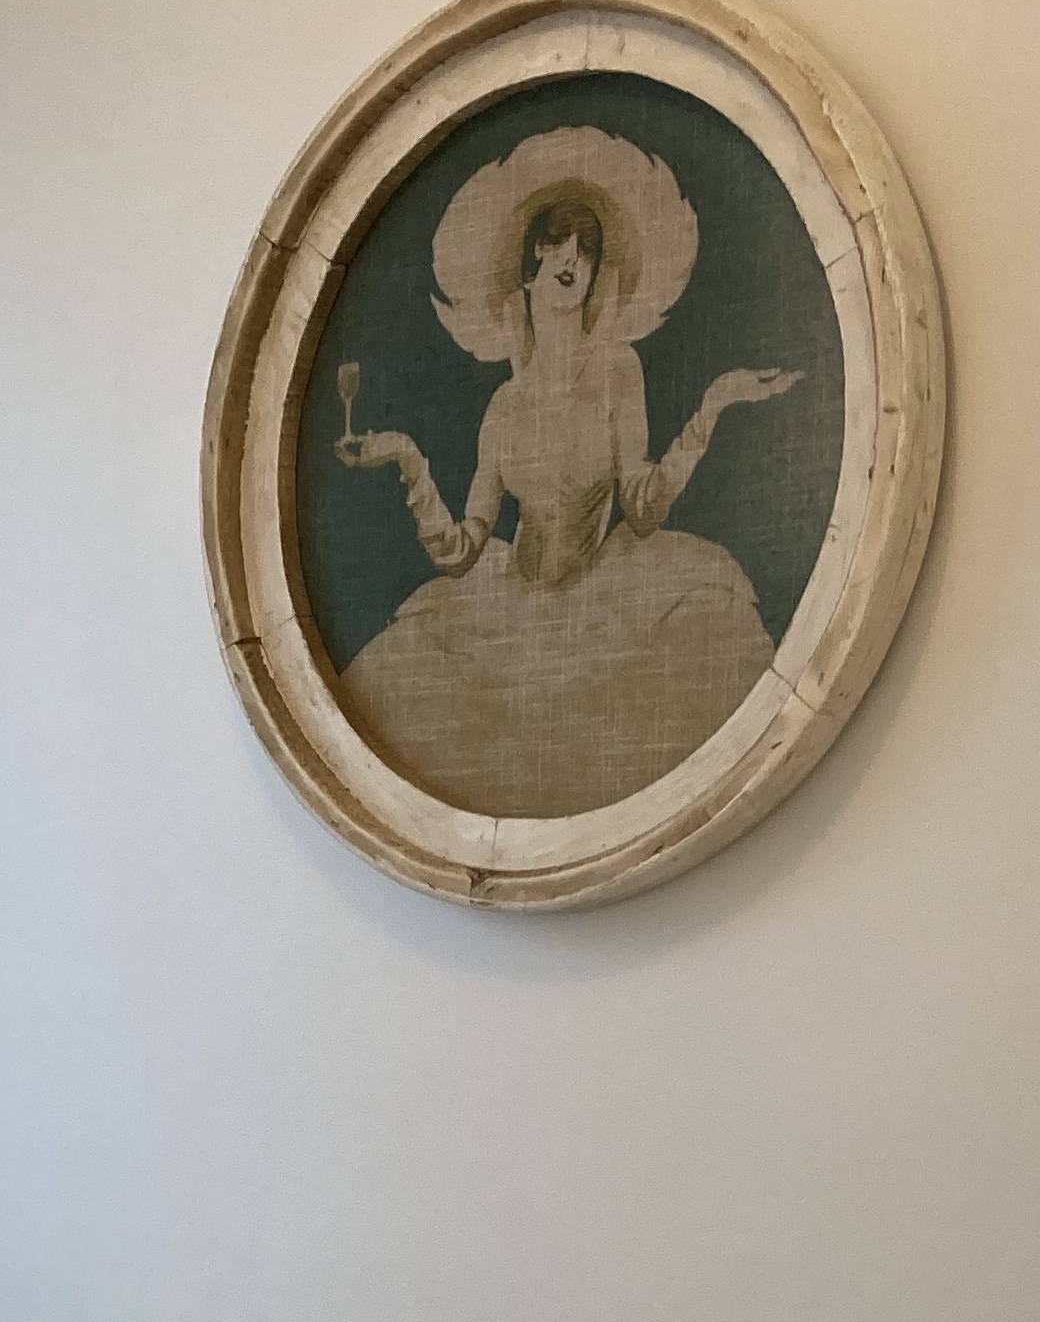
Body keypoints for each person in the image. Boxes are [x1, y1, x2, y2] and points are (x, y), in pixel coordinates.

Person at [333, 126, 798, 819]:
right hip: (506, 613)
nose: (569, 259)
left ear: (599, 270)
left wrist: (714, 405)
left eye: (584, 247)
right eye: (553, 244)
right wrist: (407, 457)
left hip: (611, 603)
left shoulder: (618, 370)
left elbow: (642, 508)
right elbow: (460, 552)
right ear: (525, 265)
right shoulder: (502, 407)